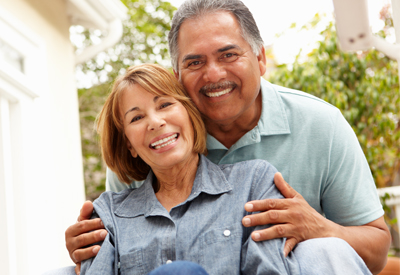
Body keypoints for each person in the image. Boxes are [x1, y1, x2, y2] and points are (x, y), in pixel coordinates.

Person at [65, 0, 391, 274]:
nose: (214, 74)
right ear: (177, 77)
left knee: (321, 249)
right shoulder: (157, 142)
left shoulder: (319, 125)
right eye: (195, 62)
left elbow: (376, 250)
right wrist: (88, 245)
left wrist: (320, 228)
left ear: (261, 59)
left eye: (228, 55)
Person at [78, 63, 370, 274]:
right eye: (136, 117)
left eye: (165, 105)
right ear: (129, 144)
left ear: (191, 116)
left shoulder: (253, 183)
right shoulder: (108, 213)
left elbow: (270, 269)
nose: (155, 122)